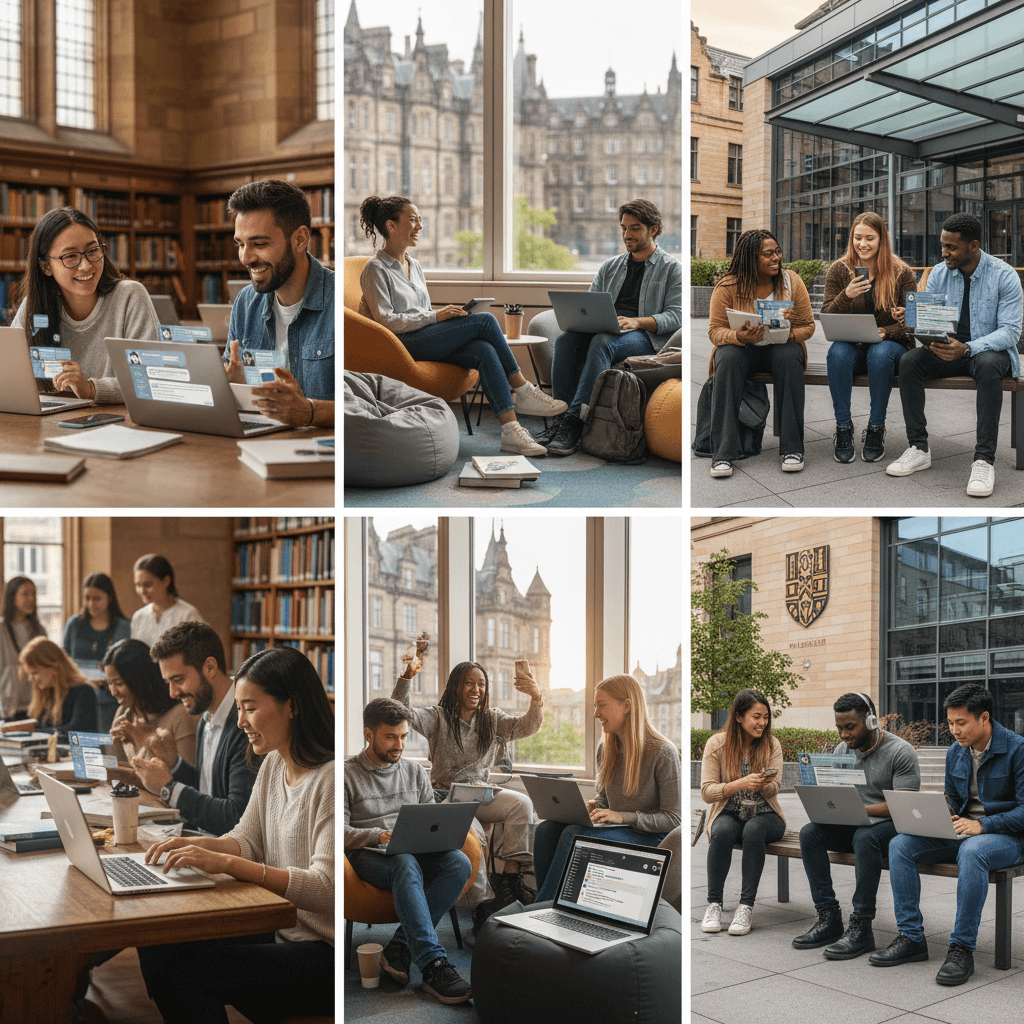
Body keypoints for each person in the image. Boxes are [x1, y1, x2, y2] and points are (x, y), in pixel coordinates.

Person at [138, 645, 334, 1022]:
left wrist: (225, 861)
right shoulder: (275, 761)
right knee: (158, 941)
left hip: (321, 951)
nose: (241, 721)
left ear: (291, 705)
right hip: (281, 929)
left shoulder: (328, 780)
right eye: (239, 707)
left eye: (251, 707)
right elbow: (247, 837)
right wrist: (197, 845)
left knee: (190, 975)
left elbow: (326, 888)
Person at [357, 194, 566, 457]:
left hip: (422, 337)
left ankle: (511, 430)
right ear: (391, 226)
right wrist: (437, 317)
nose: (420, 226)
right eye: (413, 220)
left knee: (483, 350)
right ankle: (523, 389)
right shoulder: (375, 269)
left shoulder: (414, 265)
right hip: (400, 346)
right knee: (487, 320)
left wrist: (444, 316)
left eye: (420, 220)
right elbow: (386, 321)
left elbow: (418, 312)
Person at [870, 684, 1024, 985]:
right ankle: (911, 938)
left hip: (1008, 837)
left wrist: (983, 825)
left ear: (984, 718)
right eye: (950, 723)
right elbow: (954, 799)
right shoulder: (956, 752)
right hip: (962, 830)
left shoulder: (1018, 750)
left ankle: (961, 948)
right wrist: (937, 809)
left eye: (961, 723)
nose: (954, 730)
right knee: (900, 844)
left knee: (973, 851)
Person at [393, 650, 543, 924]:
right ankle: (482, 904)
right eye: (469, 683)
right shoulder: (438, 717)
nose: (476, 689)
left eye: (481, 684)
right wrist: (406, 677)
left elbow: (527, 727)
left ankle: (510, 882)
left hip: (482, 793)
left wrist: (536, 698)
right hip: (448, 798)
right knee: (473, 835)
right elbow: (401, 713)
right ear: (455, 687)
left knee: (522, 804)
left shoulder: (492, 719)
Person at [345, 697, 474, 1006]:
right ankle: (433, 965)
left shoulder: (415, 773)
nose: (399, 744)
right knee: (404, 861)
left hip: (413, 852)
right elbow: (337, 832)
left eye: (404, 736)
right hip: (369, 855)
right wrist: (379, 836)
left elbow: (429, 821)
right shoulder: (346, 774)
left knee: (458, 862)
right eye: (390, 737)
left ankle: (400, 946)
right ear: (369, 734)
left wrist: (441, 831)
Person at [887, 212, 1024, 497]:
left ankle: (984, 460)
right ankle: (919, 448)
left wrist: (968, 348)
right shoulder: (938, 273)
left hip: (987, 351)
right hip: (947, 348)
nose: (944, 252)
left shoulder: (1004, 275)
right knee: (909, 361)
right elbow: (933, 323)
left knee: (986, 365)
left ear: (973, 246)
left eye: (951, 247)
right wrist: (913, 323)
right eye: (942, 245)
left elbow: (1011, 332)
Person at [540, 199, 682, 455]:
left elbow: (675, 316)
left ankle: (575, 421)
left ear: (653, 229)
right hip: (607, 329)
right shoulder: (611, 266)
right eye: (624, 228)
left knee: (602, 341)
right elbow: (591, 303)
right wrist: (582, 320)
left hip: (645, 336)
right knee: (565, 340)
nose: (627, 235)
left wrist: (637, 321)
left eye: (635, 228)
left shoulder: (672, 269)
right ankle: (559, 419)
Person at [792, 693, 921, 959]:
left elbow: (904, 805)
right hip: (855, 823)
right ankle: (829, 918)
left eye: (850, 727)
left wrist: (861, 810)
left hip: (890, 826)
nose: (843, 735)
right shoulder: (842, 751)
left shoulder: (900, 751)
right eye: (839, 728)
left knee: (865, 837)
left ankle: (862, 927)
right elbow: (838, 795)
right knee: (810, 834)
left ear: (871, 721)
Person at [534, 674, 681, 903]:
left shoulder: (663, 752)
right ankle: (547, 901)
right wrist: (593, 807)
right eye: (595, 706)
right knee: (545, 830)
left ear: (627, 706)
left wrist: (623, 817)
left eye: (601, 705)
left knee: (575, 834)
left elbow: (673, 819)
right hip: (620, 830)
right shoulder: (606, 748)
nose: (595, 714)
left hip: (652, 838)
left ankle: (540, 907)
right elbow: (604, 799)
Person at [9, 206, 160, 402]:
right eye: (70, 256)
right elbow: (9, 375)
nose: (86, 265)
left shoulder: (130, 296)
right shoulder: (34, 307)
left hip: (118, 423)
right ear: (46, 266)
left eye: (93, 250)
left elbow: (150, 379)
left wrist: (91, 389)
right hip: (50, 423)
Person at [224, 179, 335, 427]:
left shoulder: (340, 301)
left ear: (299, 239)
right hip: (261, 441)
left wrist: (310, 412)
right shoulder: (245, 302)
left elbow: (368, 404)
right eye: (240, 244)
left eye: (259, 244)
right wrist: (230, 386)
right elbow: (230, 381)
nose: (245, 258)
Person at [707, 230, 815, 476]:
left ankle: (792, 449)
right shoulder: (728, 285)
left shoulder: (792, 282)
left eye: (777, 251)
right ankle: (723, 454)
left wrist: (789, 333)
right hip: (744, 349)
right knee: (727, 356)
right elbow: (715, 331)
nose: (776, 257)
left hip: (779, 347)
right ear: (750, 258)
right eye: (768, 254)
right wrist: (737, 337)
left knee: (790, 356)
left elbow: (809, 326)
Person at [130, 622, 254, 835]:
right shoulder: (206, 715)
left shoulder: (246, 724)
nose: (172, 693)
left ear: (210, 668)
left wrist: (168, 788)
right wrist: (174, 763)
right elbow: (209, 789)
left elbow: (236, 817)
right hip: (202, 844)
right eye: (168, 682)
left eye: (178, 680)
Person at [822, 212, 918, 464]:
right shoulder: (839, 270)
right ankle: (843, 428)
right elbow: (827, 317)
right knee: (837, 352)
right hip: (852, 347)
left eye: (870, 238)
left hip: (890, 350)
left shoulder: (901, 272)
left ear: (881, 239)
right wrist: (846, 295)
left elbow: (914, 326)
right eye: (857, 238)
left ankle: (876, 428)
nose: (862, 244)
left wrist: (891, 329)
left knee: (880, 351)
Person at [700, 689, 785, 936]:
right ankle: (714, 904)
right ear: (738, 716)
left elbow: (775, 788)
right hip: (729, 812)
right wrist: (741, 783)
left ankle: (745, 906)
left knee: (754, 828)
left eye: (766, 717)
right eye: (756, 716)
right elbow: (707, 792)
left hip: (766, 815)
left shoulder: (772, 744)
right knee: (722, 830)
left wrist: (763, 783)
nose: (762, 723)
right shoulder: (717, 744)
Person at [103, 638, 197, 765]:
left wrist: (143, 741)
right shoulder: (124, 713)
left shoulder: (180, 716)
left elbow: (187, 780)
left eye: (119, 684)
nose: (113, 692)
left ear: (140, 680)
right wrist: (114, 742)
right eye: (109, 683)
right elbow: (116, 777)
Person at [62, 572, 132, 732]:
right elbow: (63, 660)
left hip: (110, 701)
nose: (91, 603)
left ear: (110, 597)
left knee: (108, 749)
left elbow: (129, 665)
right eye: (87, 598)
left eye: (97, 598)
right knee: (81, 750)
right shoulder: (74, 624)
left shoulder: (124, 627)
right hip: (76, 699)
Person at [14, 637, 97, 741]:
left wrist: (32, 733)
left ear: (55, 668)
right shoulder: (46, 692)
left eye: (35, 673)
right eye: (29, 674)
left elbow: (76, 732)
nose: (31, 679)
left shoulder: (84, 691)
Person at [129, 554, 204, 648]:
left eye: (147, 585)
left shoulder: (188, 615)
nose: (142, 591)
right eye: (138, 585)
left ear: (166, 581)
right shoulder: (139, 617)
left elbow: (199, 653)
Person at [0, 576, 46, 721]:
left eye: (33, 594)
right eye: (25, 594)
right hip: (8, 707)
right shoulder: (2, 629)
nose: (31, 598)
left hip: (36, 706)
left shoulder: (39, 630)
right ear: (12, 597)